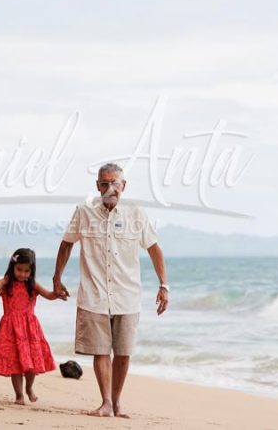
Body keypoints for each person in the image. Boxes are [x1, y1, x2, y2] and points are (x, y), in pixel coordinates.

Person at [52, 163, 169, 418]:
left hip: (128, 296)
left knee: (124, 352)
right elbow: (66, 245)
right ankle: (105, 402)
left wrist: (163, 285)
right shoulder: (83, 213)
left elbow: (154, 249)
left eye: (115, 183)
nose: (110, 188)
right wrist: (57, 278)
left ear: (123, 186)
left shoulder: (136, 214)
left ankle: (117, 402)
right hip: (94, 295)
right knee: (101, 351)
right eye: (104, 183)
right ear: (97, 186)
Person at [0, 248, 58, 405]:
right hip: (11, 330)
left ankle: (29, 388)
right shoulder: (5, 283)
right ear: (12, 267)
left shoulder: (33, 285)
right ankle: (19, 395)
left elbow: (49, 296)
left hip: (30, 329)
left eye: (26, 271)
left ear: (32, 270)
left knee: (31, 364)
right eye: (19, 270)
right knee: (15, 364)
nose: (22, 274)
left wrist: (58, 292)